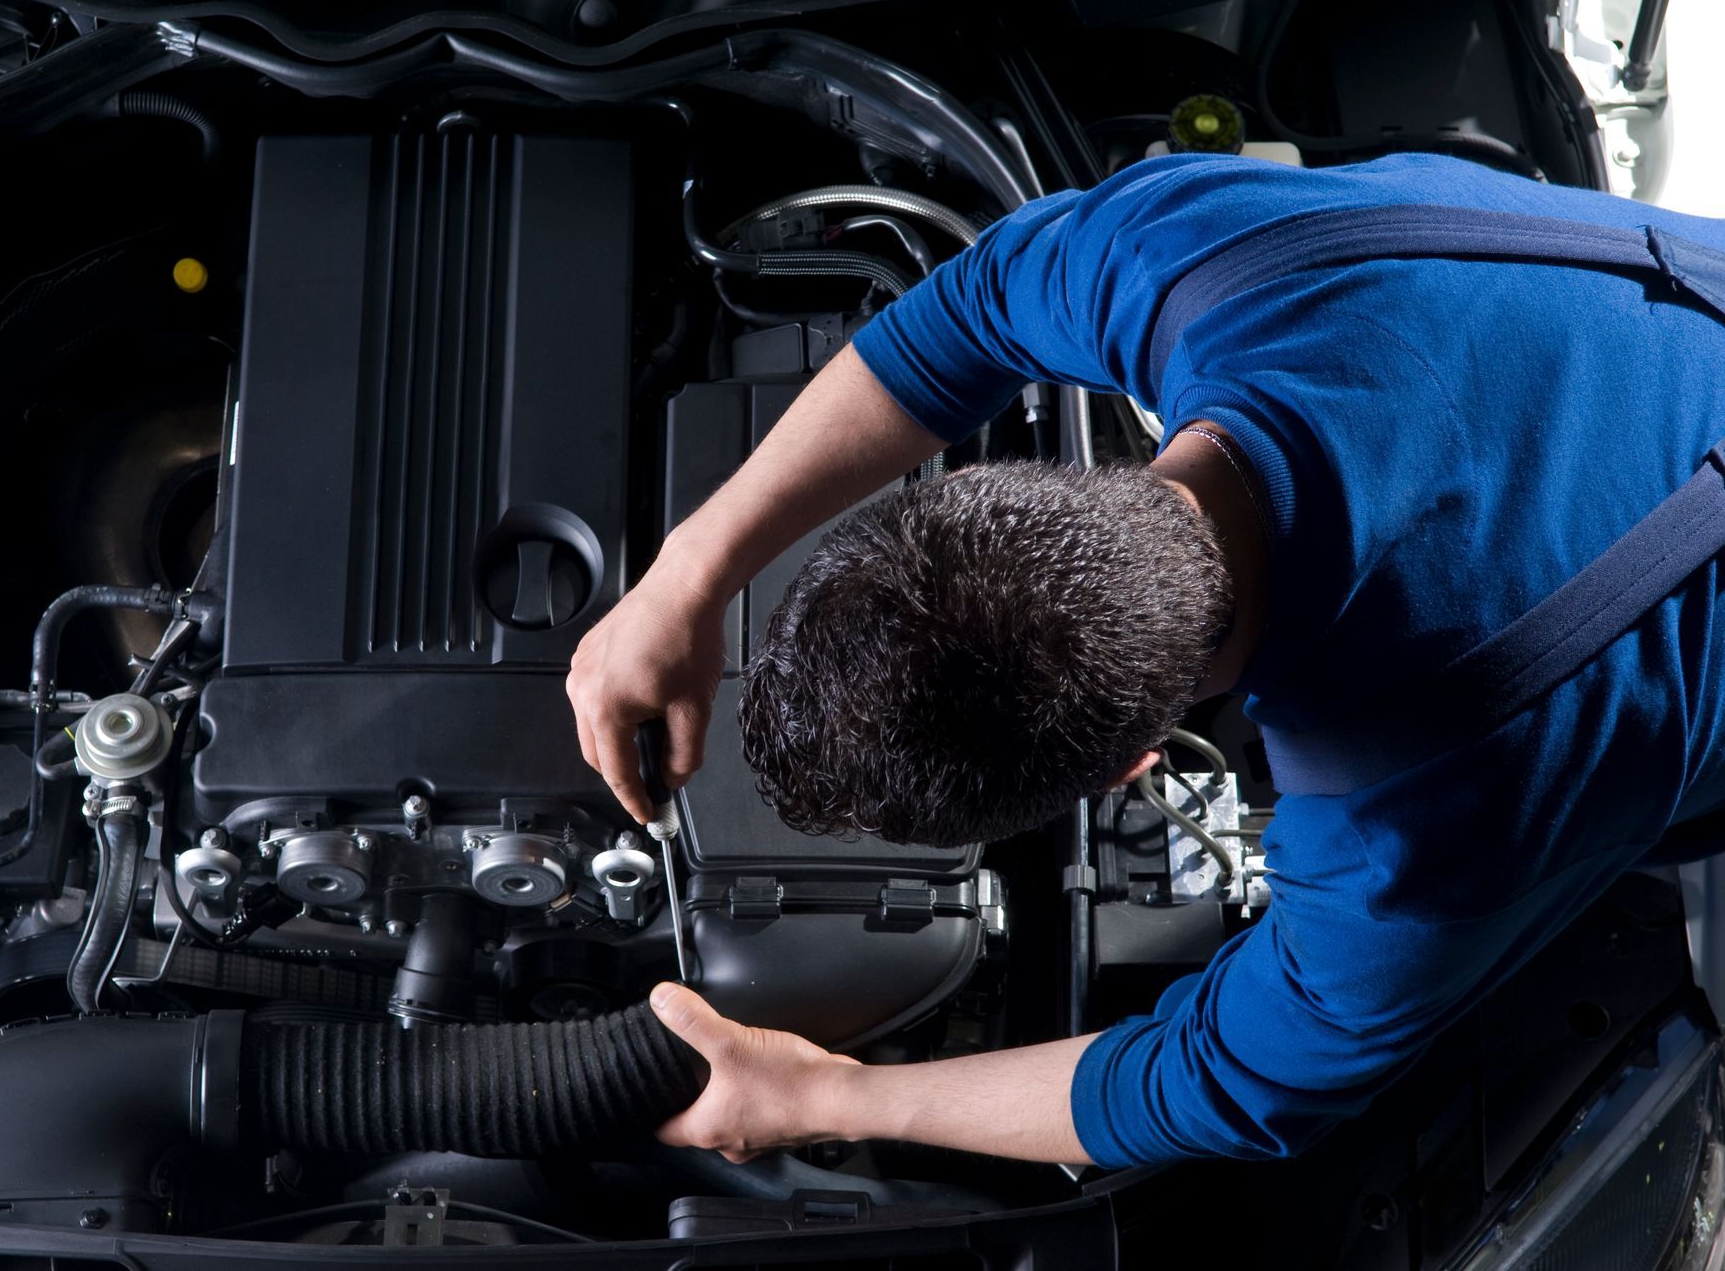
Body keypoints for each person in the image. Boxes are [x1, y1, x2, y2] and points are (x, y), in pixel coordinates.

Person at [564, 151, 1725, 1168]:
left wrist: (830, 1098)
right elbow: (970, 310)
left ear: (1133, 768)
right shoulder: (1200, 262)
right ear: (985, 484)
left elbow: (1224, 1081)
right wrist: (686, 574)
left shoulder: (1417, 832)